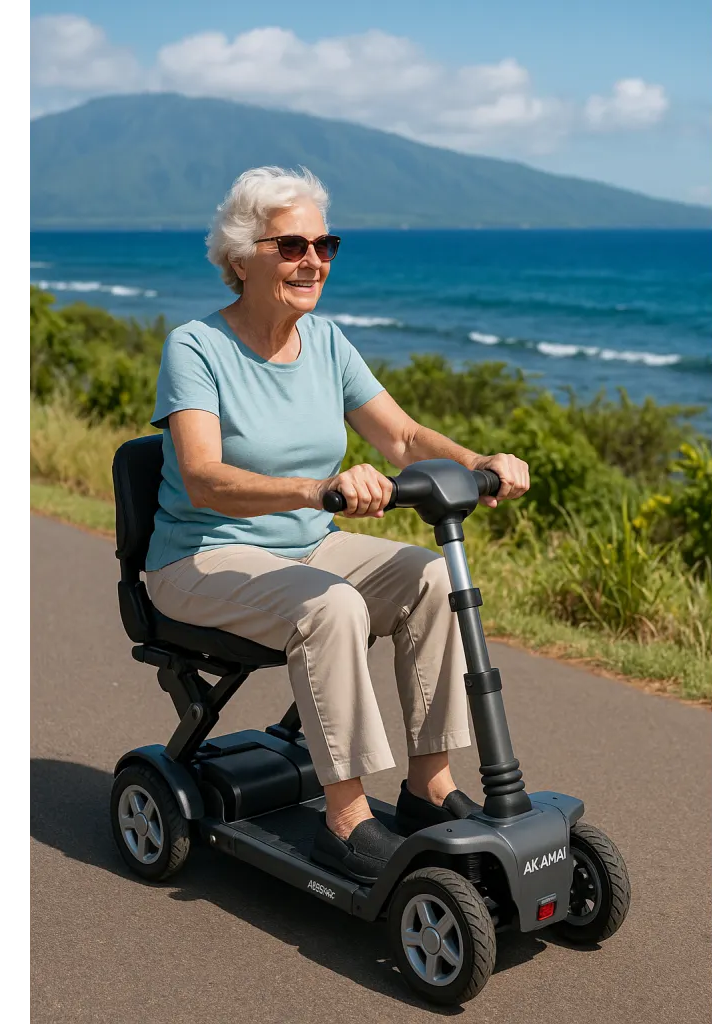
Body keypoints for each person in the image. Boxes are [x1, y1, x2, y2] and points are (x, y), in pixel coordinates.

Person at [145, 166, 529, 883]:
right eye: (291, 245)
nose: (312, 260)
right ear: (239, 258)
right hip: (200, 559)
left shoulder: (324, 341)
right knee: (333, 606)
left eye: (326, 244)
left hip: (304, 547)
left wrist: (478, 460)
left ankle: (427, 788)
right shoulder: (196, 347)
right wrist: (318, 488)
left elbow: (404, 439)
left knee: (434, 576)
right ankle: (346, 818)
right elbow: (202, 477)